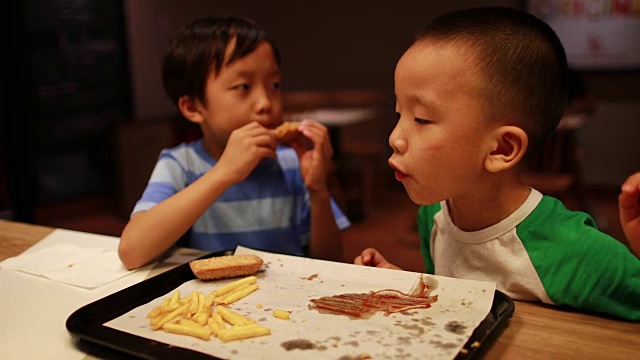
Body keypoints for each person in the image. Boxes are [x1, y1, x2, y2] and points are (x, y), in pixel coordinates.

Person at [354, 7, 640, 321]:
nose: (395, 138)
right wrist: (404, 282)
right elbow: (459, 304)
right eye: (400, 114)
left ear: (502, 148)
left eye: (421, 118)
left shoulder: (570, 249)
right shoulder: (434, 215)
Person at [118, 16, 350, 270]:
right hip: (212, 302)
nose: (265, 103)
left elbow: (331, 261)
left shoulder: (290, 162)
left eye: (274, 85)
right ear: (193, 107)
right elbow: (132, 251)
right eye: (243, 87)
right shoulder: (180, 164)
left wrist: (318, 190)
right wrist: (225, 172)